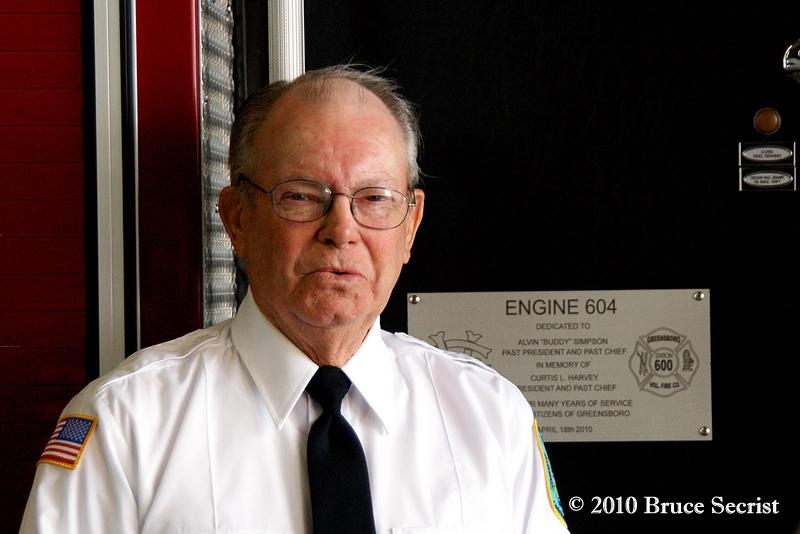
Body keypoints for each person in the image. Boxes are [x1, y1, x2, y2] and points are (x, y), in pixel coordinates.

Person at [19, 64, 569, 533]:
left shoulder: (490, 418)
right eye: (303, 196)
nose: (342, 230)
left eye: (375, 198)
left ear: (411, 225)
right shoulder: (127, 424)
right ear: (237, 218)